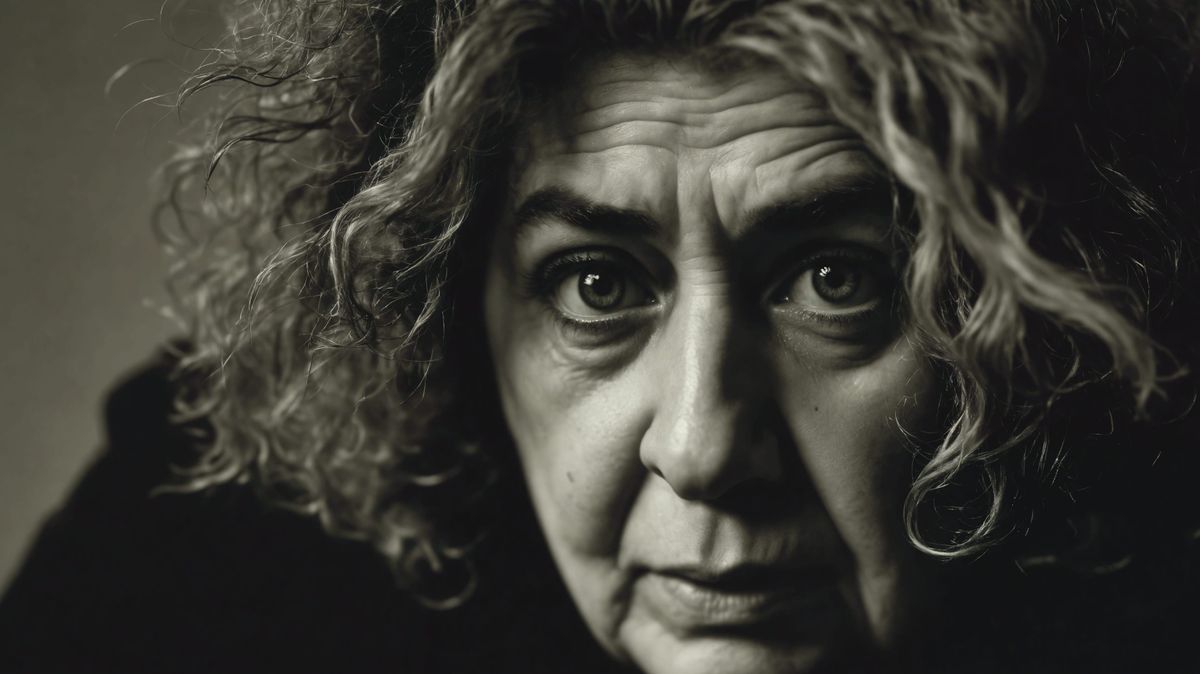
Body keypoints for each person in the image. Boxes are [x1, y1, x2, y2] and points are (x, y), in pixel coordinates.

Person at [2, 0, 1199, 672]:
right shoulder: (208, 555)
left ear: (1041, 312)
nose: (703, 444)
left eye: (837, 279)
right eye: (594, 283)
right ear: (445, 311)